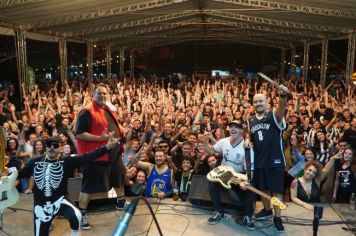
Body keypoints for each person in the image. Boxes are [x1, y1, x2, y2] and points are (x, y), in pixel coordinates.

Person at [17, 135, 119, 236]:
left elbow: (89, 156)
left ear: (61, 147)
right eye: (49, 145)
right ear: (46, 146)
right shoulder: (34, 161)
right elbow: (19, 174)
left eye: (56, 145)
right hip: (40, 205)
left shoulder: (67, 161)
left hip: (60, 200)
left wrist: (107, 147)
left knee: (76, 215)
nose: (52, 148)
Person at [75, 83, 127, 230]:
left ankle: (121, 201)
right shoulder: (86, 111)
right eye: (99, 93)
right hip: (96, 155)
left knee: (119, 175)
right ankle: (82, 215)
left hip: (113, 152)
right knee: (89, 186)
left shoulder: (107, 108)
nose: (102, 96)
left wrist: (120, 129)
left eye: (105, 93)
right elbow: (79, 133)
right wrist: (100, 139)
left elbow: (109, 125)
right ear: (93, 95)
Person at [245, 84, 289, 232]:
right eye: (255, 102)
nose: (258, 104)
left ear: (267, 102)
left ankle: (277, 217)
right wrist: (246, 138)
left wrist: (283, 97)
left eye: (261, 101)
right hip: (258, 161)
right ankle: (267, 209)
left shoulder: (273, 115)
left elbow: (281, 110)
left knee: (276, 191)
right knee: (263, 189)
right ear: (253, 104)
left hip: (275, 160)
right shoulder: (250, 120)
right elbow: (250, 135)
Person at [204, 120, 255, 230]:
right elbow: (211, 150)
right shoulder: (224, 141)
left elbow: (250, 169)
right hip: (224, 173)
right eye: (231, 126)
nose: (233, 128)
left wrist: (246, 181)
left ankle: (247, 216)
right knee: (211, 181)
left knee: (250, 185)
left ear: (242, 130)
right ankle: (218, 211)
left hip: (239, 175)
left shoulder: (246, 146)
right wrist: (205, 140)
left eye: (236, 127)